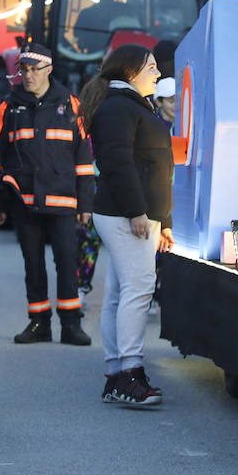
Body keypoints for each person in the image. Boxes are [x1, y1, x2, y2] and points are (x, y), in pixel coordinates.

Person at [0, 46, 95, 346]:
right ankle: (39, 323)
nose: (27, 75)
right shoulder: (8, 107)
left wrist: (86, 203)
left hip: (62, 201)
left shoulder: (72, 105)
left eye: (33, 69)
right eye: (23, 70)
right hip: (24, 200)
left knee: (66, 263)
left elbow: (84, 159)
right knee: (33, 263)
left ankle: (71, 325)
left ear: (48, 70)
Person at [79, 44, 170, 407]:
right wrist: (138, 213)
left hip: (133, 214)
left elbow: (153, 167)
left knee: (121, 294)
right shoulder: (119, 108)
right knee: (138, 289)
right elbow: (119, 164)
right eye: (151, 67)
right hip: (126, 214)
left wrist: (163, 221)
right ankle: (129, 374)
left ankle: (118, 375)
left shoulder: (131, 105)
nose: (158, 73)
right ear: (130, 71)